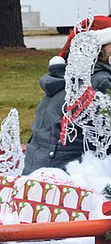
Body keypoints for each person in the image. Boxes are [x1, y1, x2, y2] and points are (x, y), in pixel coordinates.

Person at [23, 15, 111, 174]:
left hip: (36, 174)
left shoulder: (60, 78)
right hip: (70, 183)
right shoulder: (100, 82)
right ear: (100, 48)